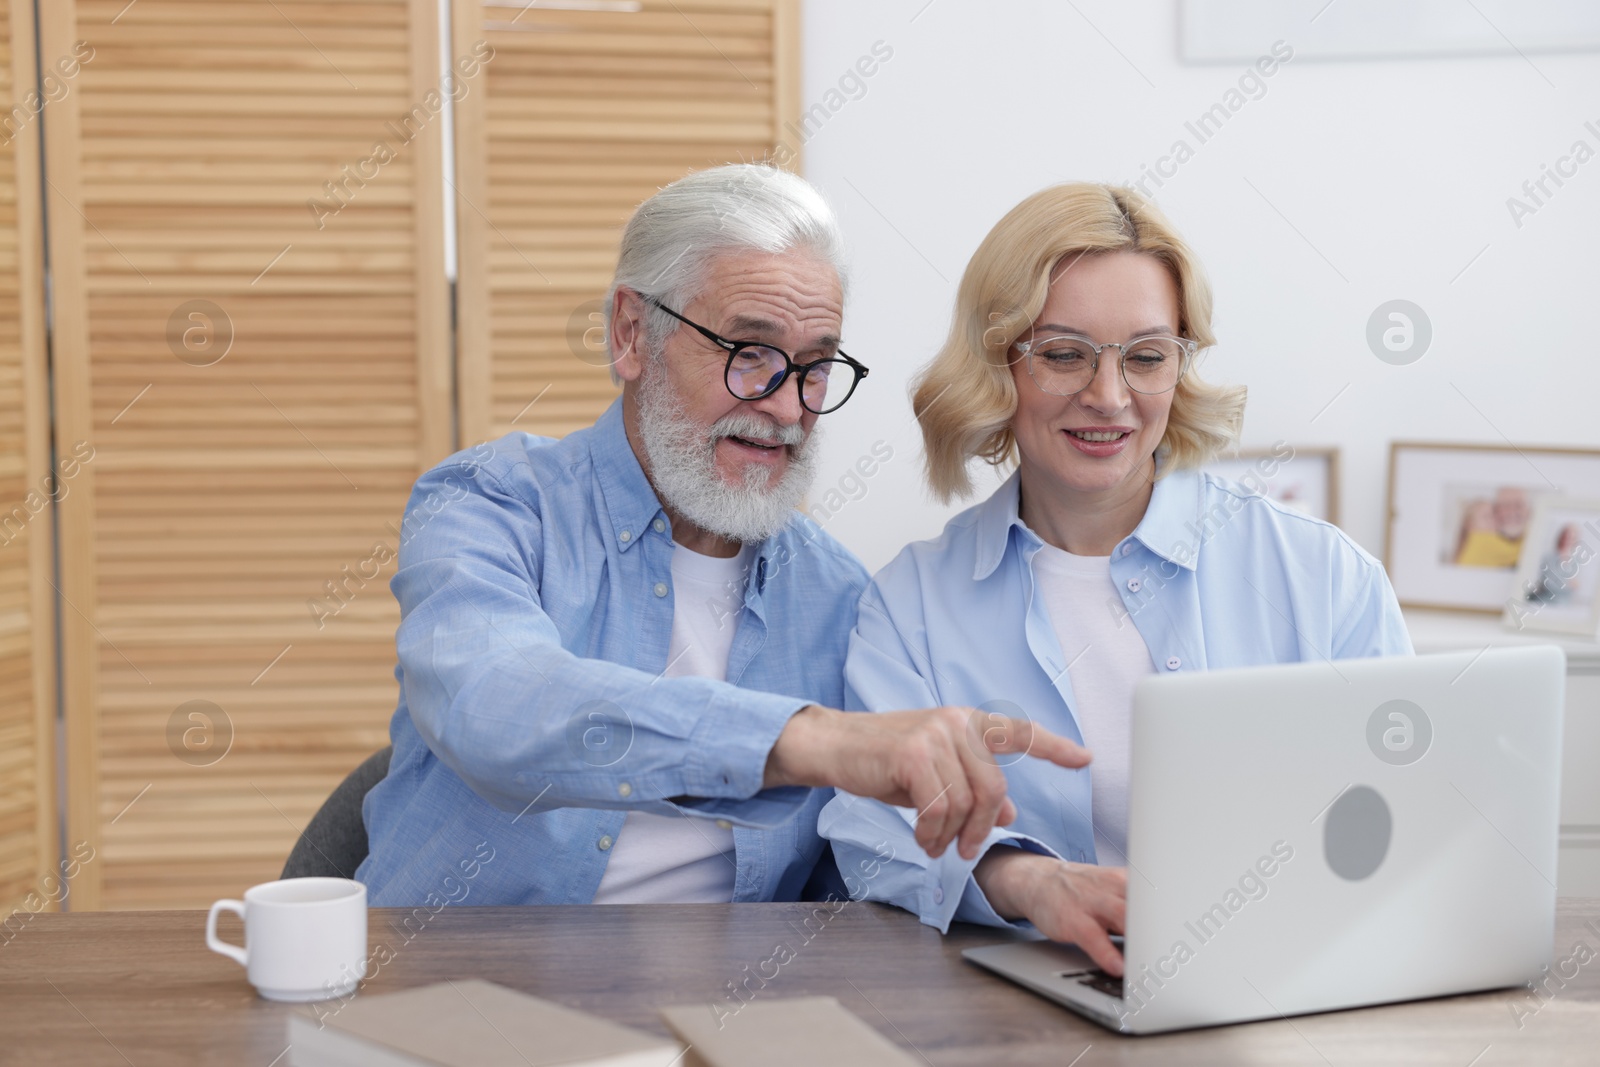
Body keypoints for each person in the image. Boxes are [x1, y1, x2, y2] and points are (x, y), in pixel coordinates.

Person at [358, 165, 1090, 908]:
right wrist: (808, 739)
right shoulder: (493, 502)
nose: (786, 407)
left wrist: (1013, 878)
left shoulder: (837, 595)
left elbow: (859, 859)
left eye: (815, 367)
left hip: (720, 1004)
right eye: (749, 353)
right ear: (631, 333)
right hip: (454, 991)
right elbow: (491, 703)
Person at [819, 182, 1412, 976]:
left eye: (1146, 356)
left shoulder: (1322, 575)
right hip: (1018, 1010)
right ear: (998, 364)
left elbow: (1404, 808)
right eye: (1064, 354)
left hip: (1289, 988)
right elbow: (868, 829)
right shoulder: (910, 605)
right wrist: (1020, 877)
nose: (1109, 396)